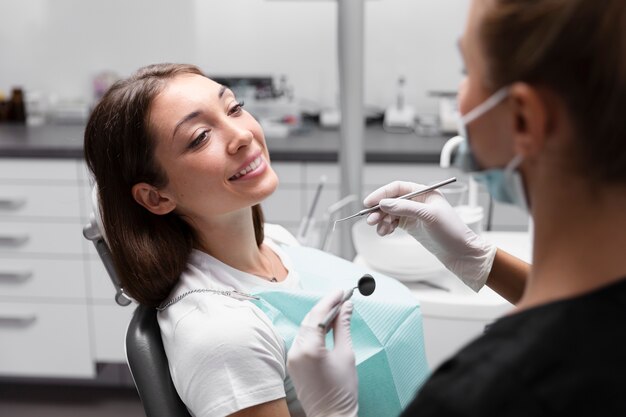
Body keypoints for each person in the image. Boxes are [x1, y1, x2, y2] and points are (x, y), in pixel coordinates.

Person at [287, 0, 626, 415]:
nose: (460, 97)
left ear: (523, 119)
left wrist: (333, 412)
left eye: (467, 72)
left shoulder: (485, 397)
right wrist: (479, 259)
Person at [84, 63, 428, 417]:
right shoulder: (221, 336)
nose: (243, 135)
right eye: (201, 136)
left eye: (234, 107)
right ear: (156, 197)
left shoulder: (276, 243)